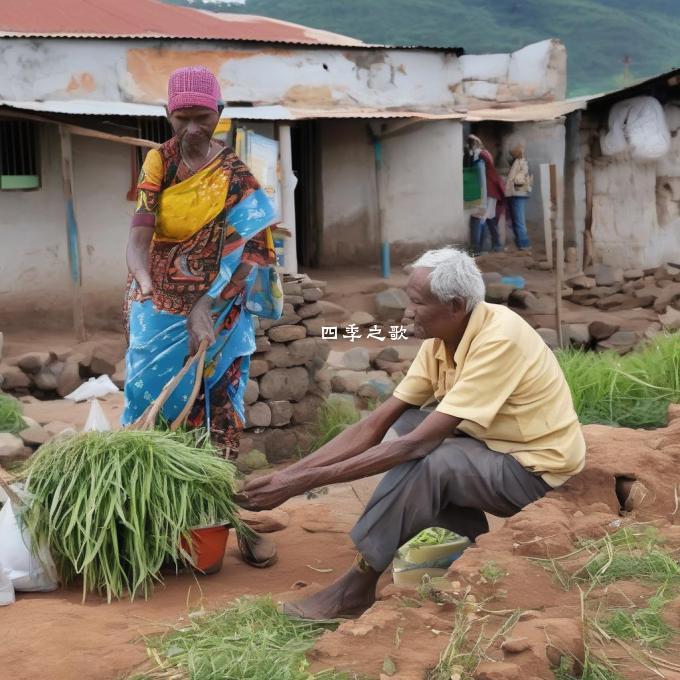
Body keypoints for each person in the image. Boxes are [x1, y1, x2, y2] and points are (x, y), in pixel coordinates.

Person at [239, 247, 586, 619]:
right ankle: (462, 541)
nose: (406, 311)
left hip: (533, 471)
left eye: (417, 302)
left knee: (431, 460)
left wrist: (300, 485)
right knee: (405, 427)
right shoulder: (440, 341)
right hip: (489, 450)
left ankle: (355, 590)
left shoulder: (499, 339)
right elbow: (376, 424)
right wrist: (287, 476)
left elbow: (420, 445)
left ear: (455, 305)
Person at [123, 66, 278, 567]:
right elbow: (138, 237)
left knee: (217, 410)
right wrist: (146, 285)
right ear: (168, 115)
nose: (191, 129)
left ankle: (221, 521)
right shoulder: (158, 163)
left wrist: (205, 305)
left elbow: (253, 249)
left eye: (202, 118)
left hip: (221, 303)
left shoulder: (236, 176)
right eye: (182, 118)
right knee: (150, 408)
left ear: (221, 115)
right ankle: (147, 523)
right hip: (158, 305)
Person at [466, 135, 504, 253]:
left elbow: (481, 177)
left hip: (487, 191)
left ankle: (478, 248)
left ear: (473, 145)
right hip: (489, 191)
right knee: (489, 218)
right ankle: (494, 245)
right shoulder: (485, 154)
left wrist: (481, 197)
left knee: (479, 218)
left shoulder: (480, 156)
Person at [505, 143, 533, 250]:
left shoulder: (519, 162)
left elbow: (514, 178)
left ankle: (524, 245)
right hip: (517, 193)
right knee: (518, 221)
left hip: (517, 193)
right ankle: (521, 244)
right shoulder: (521, 162)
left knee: (519, 221)